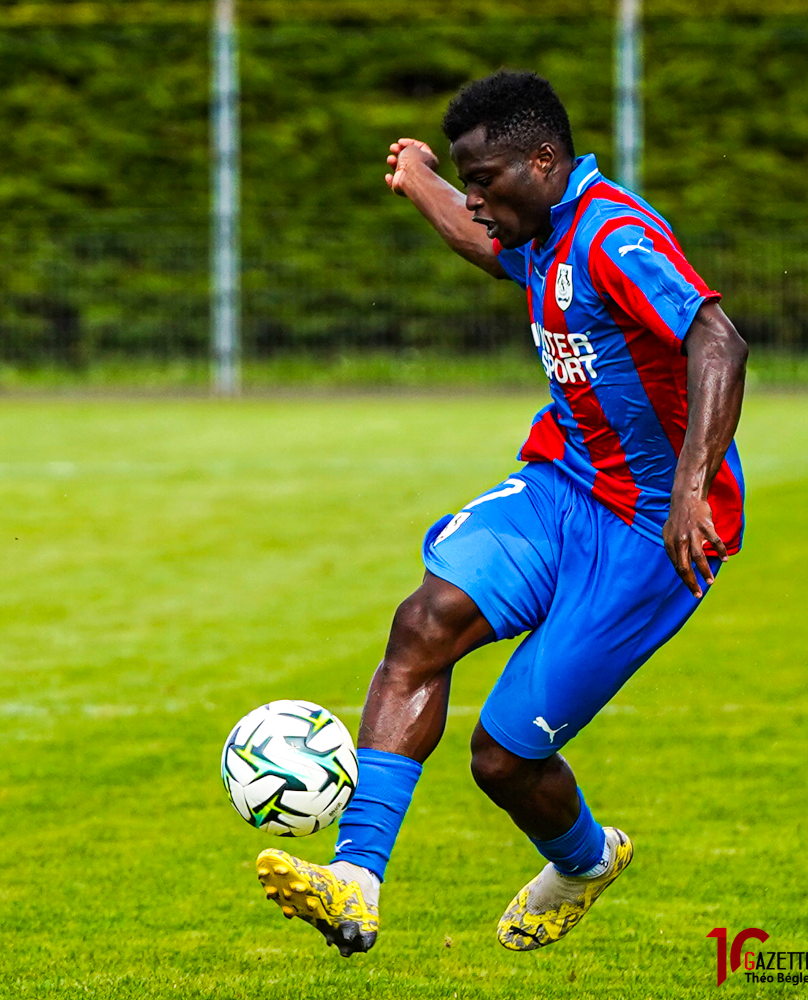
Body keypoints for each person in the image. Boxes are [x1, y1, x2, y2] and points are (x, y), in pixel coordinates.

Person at [254, 70, 748, 957]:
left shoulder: (616, 237)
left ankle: (586, 862)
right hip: (563, 486)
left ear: (545, 161)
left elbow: (718, 338)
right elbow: (488, 247)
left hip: (653, 534)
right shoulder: (539, 224)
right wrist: (423, 181)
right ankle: (354, 880)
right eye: (467, 181)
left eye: (484, 181)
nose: (477, 200)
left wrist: (689, 487)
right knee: (424, 621)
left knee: (504, 759)